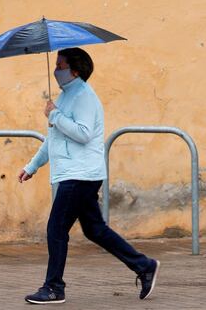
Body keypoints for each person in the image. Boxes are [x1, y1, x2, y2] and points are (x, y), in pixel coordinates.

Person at [19, 48, 160, 305]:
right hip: (76, 174)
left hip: (80, 175)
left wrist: (54, 116)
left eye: (60, 65)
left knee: (56, 229)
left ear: (74, 70)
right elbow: (53, 139)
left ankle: (54, 288)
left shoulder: (84, 96)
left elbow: (83, 133)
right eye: (57, 64)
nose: (56, 70)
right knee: (95, 230)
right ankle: (144, 266)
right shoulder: (64, 97)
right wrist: (32, 166)